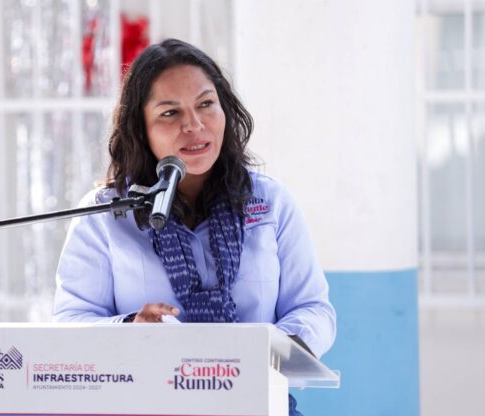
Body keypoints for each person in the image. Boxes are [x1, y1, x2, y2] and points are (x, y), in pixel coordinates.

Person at [53, 39, 336, 416]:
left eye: (206, 104)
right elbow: (71, 323)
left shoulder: (271, 204)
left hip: (259, 402)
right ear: (141, 129)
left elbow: (314, 309)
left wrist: (266, 350)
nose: (195, 125)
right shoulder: (106, 214)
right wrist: (130, 329)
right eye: (170, 113)